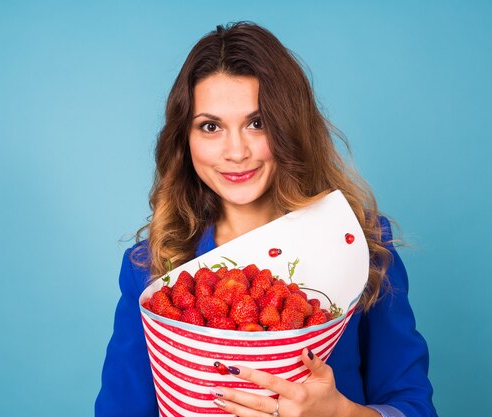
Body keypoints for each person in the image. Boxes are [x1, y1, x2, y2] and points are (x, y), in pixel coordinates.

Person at [95, 22, 437, 417]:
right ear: (184, 140)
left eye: (257, 123)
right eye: (211, 126)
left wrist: (341, 414)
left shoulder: (361, 245)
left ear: (290, 127)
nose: (236, 151)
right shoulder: (150, 268)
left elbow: (415, 406)